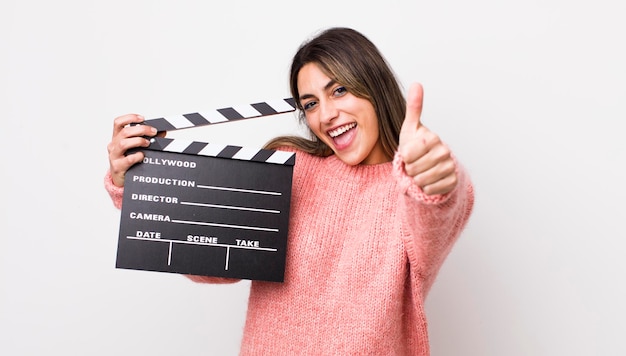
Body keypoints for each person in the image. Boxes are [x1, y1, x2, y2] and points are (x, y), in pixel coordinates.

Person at [105, 27, 474, 355]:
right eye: (311, 104)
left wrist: (435, 178)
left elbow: (440, 210)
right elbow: (213, 263)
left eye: (340, 90)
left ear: (374, 86)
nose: (326, 115)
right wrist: (137, 180)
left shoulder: (409, 188)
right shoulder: (291, 166)